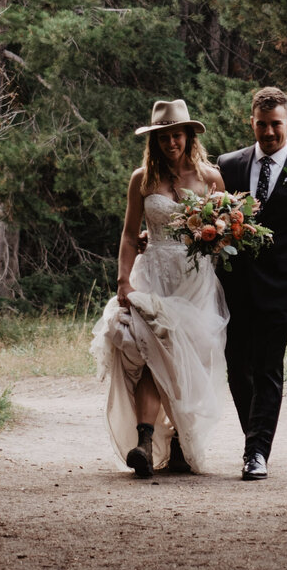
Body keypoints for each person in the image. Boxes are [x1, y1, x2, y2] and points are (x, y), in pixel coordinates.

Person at [91, 99, 230, 478]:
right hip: (152, 275)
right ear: (154, 141)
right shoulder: (142, 179)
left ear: (188, 136)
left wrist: (214, 238)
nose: (172, 142)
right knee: (154, 355)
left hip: (194, 280)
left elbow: (225, 229)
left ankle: (182, 445)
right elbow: (127, 233)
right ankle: (144, 444)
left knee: (185, 362)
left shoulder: (210, 178)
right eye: (164, 137)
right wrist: (123, 278)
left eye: (177, 135)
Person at [216, 86, 287, 480]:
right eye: (262, 125)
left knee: (268, 369)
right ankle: (255, 437)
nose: (269, 133)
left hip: (280, 289)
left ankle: (256, 452)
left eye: (276, 125)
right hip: (233, 288)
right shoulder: (228, 165)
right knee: (237, 369)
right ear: (252, 122)